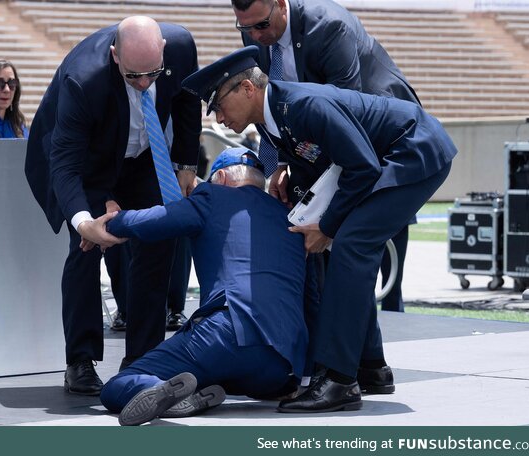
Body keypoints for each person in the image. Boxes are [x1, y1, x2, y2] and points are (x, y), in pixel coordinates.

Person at [181, 46, 456, 412]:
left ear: (247, 89)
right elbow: (317, 160)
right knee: (347, 249)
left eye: (218, 106)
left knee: (352, 245)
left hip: (413, 150)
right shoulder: (273, 116)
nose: (217, 118)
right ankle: (371, 367)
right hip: (388, 155)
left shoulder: (303, 105)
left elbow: (362, 168)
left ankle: (340, 382)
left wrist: (326, 226)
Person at [24, 16, 201, 396]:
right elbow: (67, 164)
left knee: (159, 235)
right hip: (84, 159)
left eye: (152, 74)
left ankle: (143, 359)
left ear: (164, 54)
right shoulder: (83, 81)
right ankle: (81, 360)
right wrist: (84, 220)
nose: (143, 83)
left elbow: (187, 100)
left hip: (142, 157)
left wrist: (186, 163)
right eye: (133, 75)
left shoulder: (182, 47)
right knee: (86, 247)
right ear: (114, 55)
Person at [79, 147, 307, 425]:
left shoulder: (212, 196)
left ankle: (164, 391)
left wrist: (105, 225)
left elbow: (156, 220)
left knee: (117, 386)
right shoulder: (290, 217)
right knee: (224, 372)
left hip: (226, 332)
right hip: (281, 364)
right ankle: (195, 391)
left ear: (220, 176)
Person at [232, 0, 421, 313]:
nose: (254, 34)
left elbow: (345, 108)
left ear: (280, 5)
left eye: (261, 25)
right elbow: (273, 101)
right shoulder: (256, 32)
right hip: (316, 125)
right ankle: (337, 312)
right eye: (245, 27)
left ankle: (389, 303)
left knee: (378, 206)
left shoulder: (328, 25)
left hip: (378, 121)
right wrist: (281, 162)